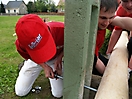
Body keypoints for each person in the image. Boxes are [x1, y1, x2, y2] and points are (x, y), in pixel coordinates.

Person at [15, 14, 64, 98]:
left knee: (58, 94)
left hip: (55, 57)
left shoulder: (62, 30)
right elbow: (30, 56)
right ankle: (25, 65)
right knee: (20, 92)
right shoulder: (21, 45)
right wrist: (45, 66)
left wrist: (59, 58)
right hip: (36, 60)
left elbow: (71, 45)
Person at [92, 0, 118, 76]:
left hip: (96, 55)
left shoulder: (103, 23)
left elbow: (123, 23)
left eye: (111, 17)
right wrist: (109, 77)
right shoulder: (91, 32)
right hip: (90, 57)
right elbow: (95, 60)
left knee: (110, 65)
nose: (107, 23)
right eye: (103, 18)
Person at [106, 0, 132, 72]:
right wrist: (109, 53)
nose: (129, 5)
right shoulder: (122, 10)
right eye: (125, 1)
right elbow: (117, 31)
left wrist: (129, 68)